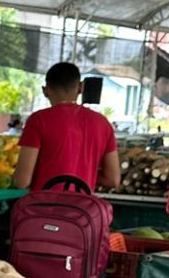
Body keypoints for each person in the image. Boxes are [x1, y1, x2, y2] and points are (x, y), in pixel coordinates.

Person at [13, 61, 120, 192]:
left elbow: (22, 181)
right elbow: (113, 179)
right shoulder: (103, 123)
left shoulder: (38, 120)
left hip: (44, 208)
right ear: (81, 87)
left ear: (45, 91)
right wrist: (83, 174)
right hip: (82, 209)